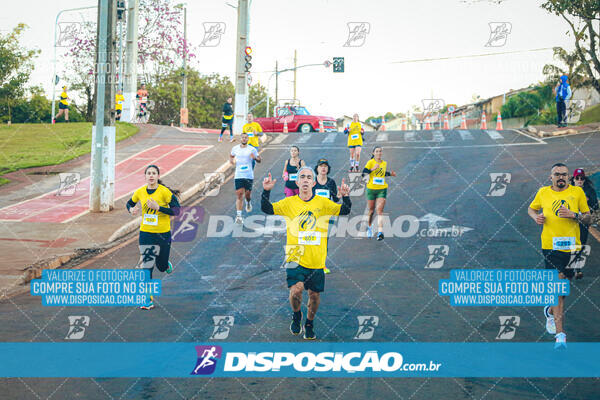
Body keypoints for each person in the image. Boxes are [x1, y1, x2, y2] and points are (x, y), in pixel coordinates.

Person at [262, 167, 351, 339]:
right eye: (302, 177)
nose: (305, 180)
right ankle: (297, 315)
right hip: (294, 255)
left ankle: (309, 322)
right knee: (296, 290)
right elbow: (267, 209)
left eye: (308, 177)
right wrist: (266, 192)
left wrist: (346, 196)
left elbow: (345, 210)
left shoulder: (322, 203)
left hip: (316, 257)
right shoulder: (289, 203)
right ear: (297, 182)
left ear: (314, 182)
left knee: (314, 295)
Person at [527, 163, 592, 348]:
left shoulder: (577, 193)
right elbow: (531, 209)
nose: (560, 177)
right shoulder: (543, 193)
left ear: (568, 177)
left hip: (572, 247)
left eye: (564, 174)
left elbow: (589, 218)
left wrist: (575, 214)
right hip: (550, 247)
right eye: (557, 174)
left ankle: (549, 310)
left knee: (563, 291)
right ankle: (560, 335)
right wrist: (535, 217)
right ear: (551, 177)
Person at [126, 165, 181, 310]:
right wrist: (131, 209)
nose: (151, 176)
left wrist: (159, 208)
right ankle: (147, 299)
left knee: (161, 267)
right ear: (145, 176)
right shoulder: (140, 192)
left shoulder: (165, 192)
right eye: (148, 173)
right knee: (147, 266)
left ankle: (165, 264)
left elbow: (177, 211)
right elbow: (129, 203)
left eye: (154, 173)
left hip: (163, 234)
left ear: (157, 176)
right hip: (146, 233)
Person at [569, 168, 598, 279]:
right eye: (577, 178)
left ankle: (577, 268)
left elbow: (596, 206)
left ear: (584, 180)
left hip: (584, 221)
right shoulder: (568, 190)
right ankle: (574, 269)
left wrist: (588, 200)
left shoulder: (589, 190)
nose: (580, 180)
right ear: (574, 179)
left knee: (580, 245)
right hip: (569, 222)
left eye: (582, 178)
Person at [362, 146, 396, 240]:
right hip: (371, 189)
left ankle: (380, 232)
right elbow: (363, 174)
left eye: (380, 151)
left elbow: (382, 173)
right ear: (373, 153)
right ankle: (369, 227)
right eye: (377, 151)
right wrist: (372, 169)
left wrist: (390, 174)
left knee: (380, 211)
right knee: (371, 211)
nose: (379, 153)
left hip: (382, 189)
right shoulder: (370, 162)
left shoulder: (384, 163)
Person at [313, 158, 339, 274]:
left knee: (324, 241)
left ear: (328, 169)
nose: (323, 168)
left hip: (326, 217)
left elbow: (336, 199)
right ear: (317, 168)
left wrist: (342, 194)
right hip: (312, 217)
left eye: (325, 166)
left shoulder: (331, 182)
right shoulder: (312, 182)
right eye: (321, 166)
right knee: (312, 240)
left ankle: (321, 265)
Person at [230, 132, 261, 224]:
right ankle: (239, 216)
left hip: (248, 175)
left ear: (248, 139)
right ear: (240, 139)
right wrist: (231, 161)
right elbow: (231, 155)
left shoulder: (252, 149)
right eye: (242, 137)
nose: (244, 139)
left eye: (245, 138)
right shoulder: (235, 148)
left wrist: (254, 158)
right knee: (239, 195)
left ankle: (248, 202)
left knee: (247, 194)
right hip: (239, 175)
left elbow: (259, 160)